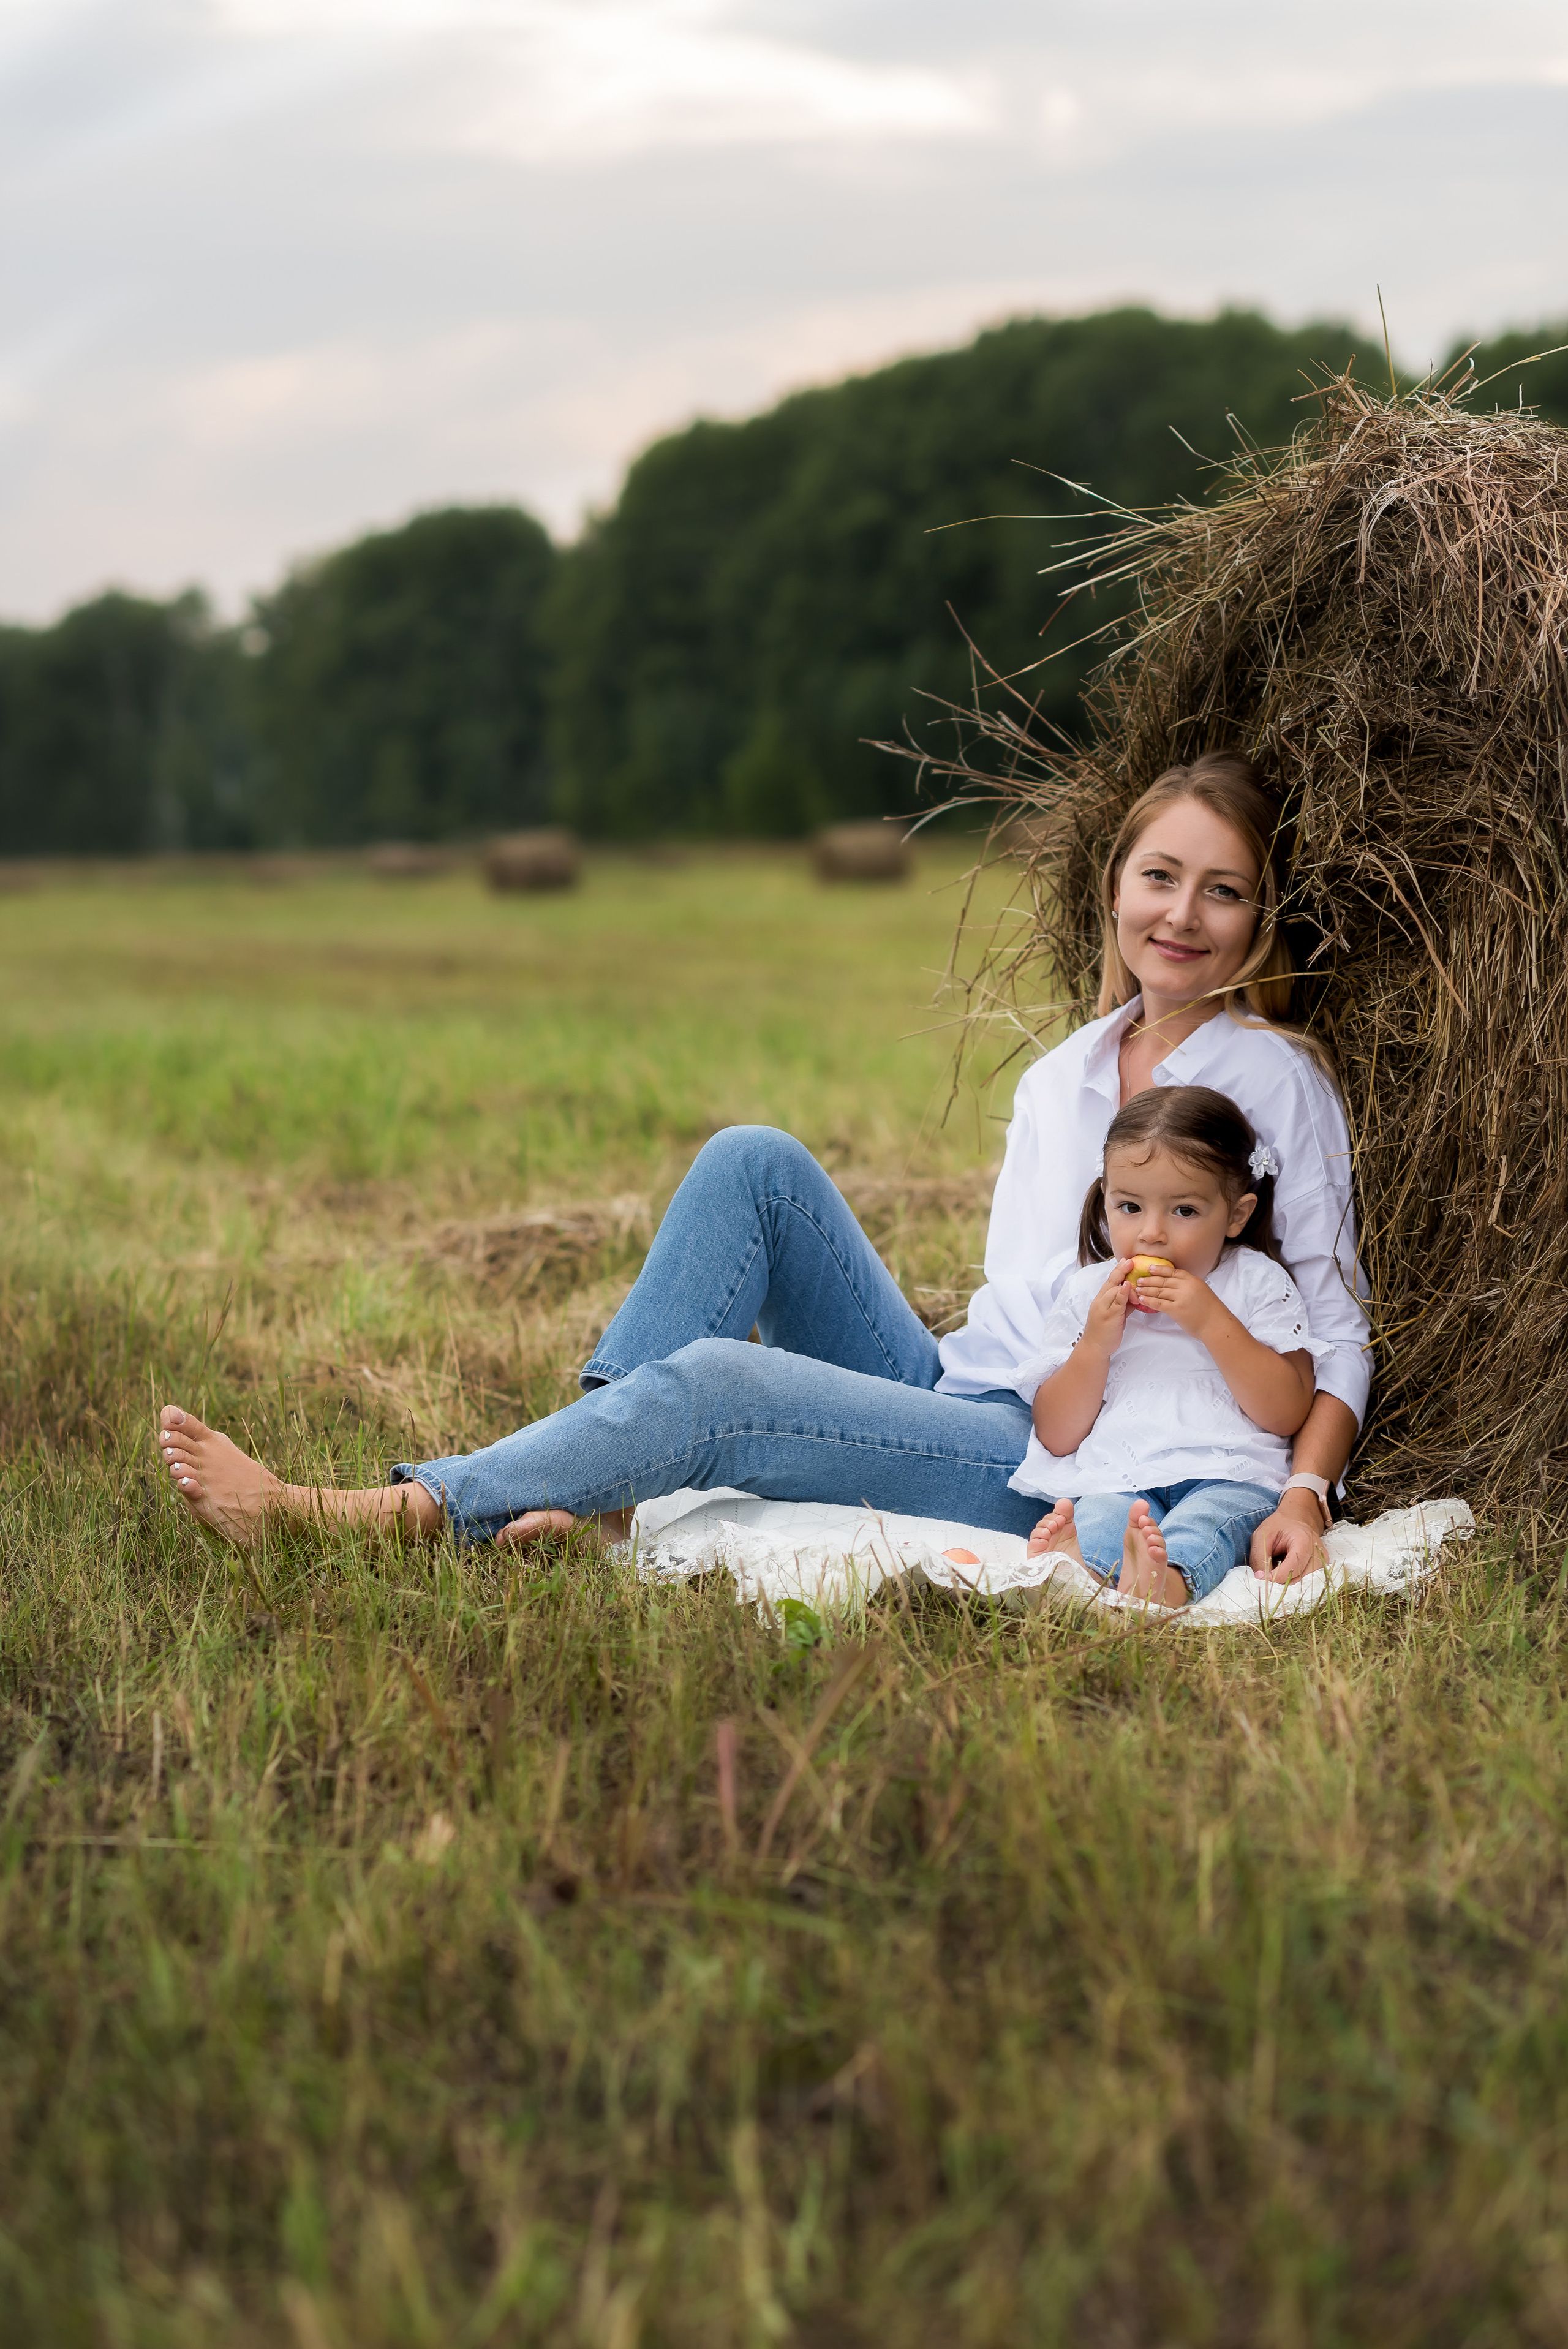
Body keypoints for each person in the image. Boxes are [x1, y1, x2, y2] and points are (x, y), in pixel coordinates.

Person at [157, 751, 1368, 1582]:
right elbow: (1018, 1318)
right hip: (978, 1393)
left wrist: (1302, 1496)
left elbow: (1334, 1329)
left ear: (1257, 919)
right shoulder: (1060, 1074)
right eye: (1158, 875)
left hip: (1062, 1464)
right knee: (754, 1161)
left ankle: (389, 1513)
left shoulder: (1271, 1079)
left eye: (1222, 892)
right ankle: (603, 1489)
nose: (1180, 913)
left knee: (717, 1391)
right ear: (1110, 883)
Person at [1017, 1084, 1321, 1611]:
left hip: (1229, 1473)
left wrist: (1210, 1320)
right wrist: (1094, 1346)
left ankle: (1169, 1581)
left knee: (1210, 1521)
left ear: (1236, 1215)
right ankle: (1085, 1573)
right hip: (1120, 1472)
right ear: (1106, 1197)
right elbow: (1057, 1433)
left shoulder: (1255, 1283)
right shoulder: (1089, 1293)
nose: (1151, 1234)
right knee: (1102, 1514)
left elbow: (1287, 1411)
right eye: (1130, 1206)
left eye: (1183, 1210)